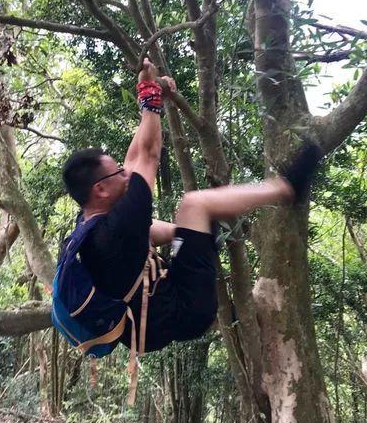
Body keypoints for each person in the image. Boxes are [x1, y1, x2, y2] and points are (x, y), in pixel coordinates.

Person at [61, 59, 321, 354]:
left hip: (149, 323)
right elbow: (145, 157)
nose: (124, 173)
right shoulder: (117, 228)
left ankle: (202, 233)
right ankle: (286, 188)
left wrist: (151, 98)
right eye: (116, 172)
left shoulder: (89, 226)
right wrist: (148, 94)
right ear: (100, 189)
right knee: (194, 204)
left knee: (168, 227)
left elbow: (133, 162)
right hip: (184, 310)